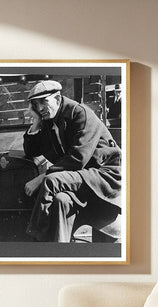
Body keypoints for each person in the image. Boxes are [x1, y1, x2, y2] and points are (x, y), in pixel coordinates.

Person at [23, 80, 121, 242]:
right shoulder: (48, 120)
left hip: (103, 176)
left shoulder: (80, 113)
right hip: (80, 177)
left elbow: (78, 158)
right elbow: (31, 151)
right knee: (61, 199)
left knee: (50, 181)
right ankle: (60, 247)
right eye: (35, 104)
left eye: (43, 102)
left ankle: (37, 240)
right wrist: (35, 122)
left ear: (57, 98)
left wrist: (42, 176)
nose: (40, 108)